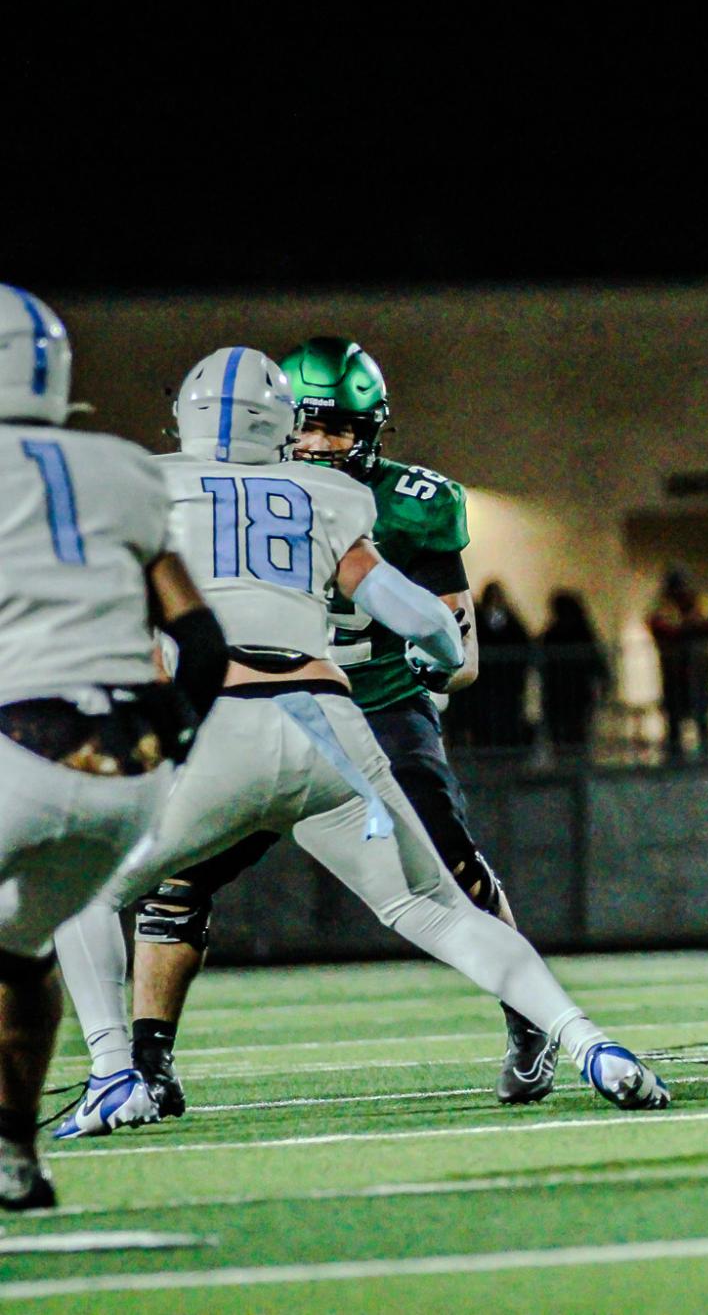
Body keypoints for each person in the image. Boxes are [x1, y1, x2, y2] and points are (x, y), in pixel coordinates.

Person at [50, 348, 671, 1140]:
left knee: (85, 886)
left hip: (222, 724)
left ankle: (114, 1076)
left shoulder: (140, 483)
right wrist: (438, 661)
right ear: (283, 424)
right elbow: (426, 623)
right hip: (329, 725)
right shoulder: (325, 494)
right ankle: (591, 1045)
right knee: (435, 908)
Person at [116, 338, 562, 1114]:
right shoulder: (224, 488)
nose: (322, 444)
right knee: (172, 883)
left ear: (373, 432)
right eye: (310, 426)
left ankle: (533, 1021)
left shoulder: (414, 502)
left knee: (449, 870)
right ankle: (147, 1061)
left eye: (341, 430)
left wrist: (429, 671)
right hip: (248, 704)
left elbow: (460, 656)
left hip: (377, 705)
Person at [0, 287, 225, 1205]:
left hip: (19, 744)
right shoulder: (128, 470)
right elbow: (203, 643)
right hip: (124, 769)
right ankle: (18, 1160)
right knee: (18, 952)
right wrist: (169, 750)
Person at [648, 569, 708, 761]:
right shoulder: (663, 606)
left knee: (701, 709)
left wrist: (690, 628)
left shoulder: (703, 603)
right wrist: (686, 630)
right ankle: (674, 752)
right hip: (673, 666)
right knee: (674, 711)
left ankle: (706, 750)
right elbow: (658, 627)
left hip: (699, 665)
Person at [456, 582, 532, 750]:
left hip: (505, 683)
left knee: (505, 717)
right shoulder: (479, 619)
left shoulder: (510, 620)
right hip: (485, 683)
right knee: (484, 718)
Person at [540, 591, 608, 752]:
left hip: (560, 693)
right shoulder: (583, 630)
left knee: (562, 737)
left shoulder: (553, 632)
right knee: (577, 736)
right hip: (576, 692)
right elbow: (597, 659)